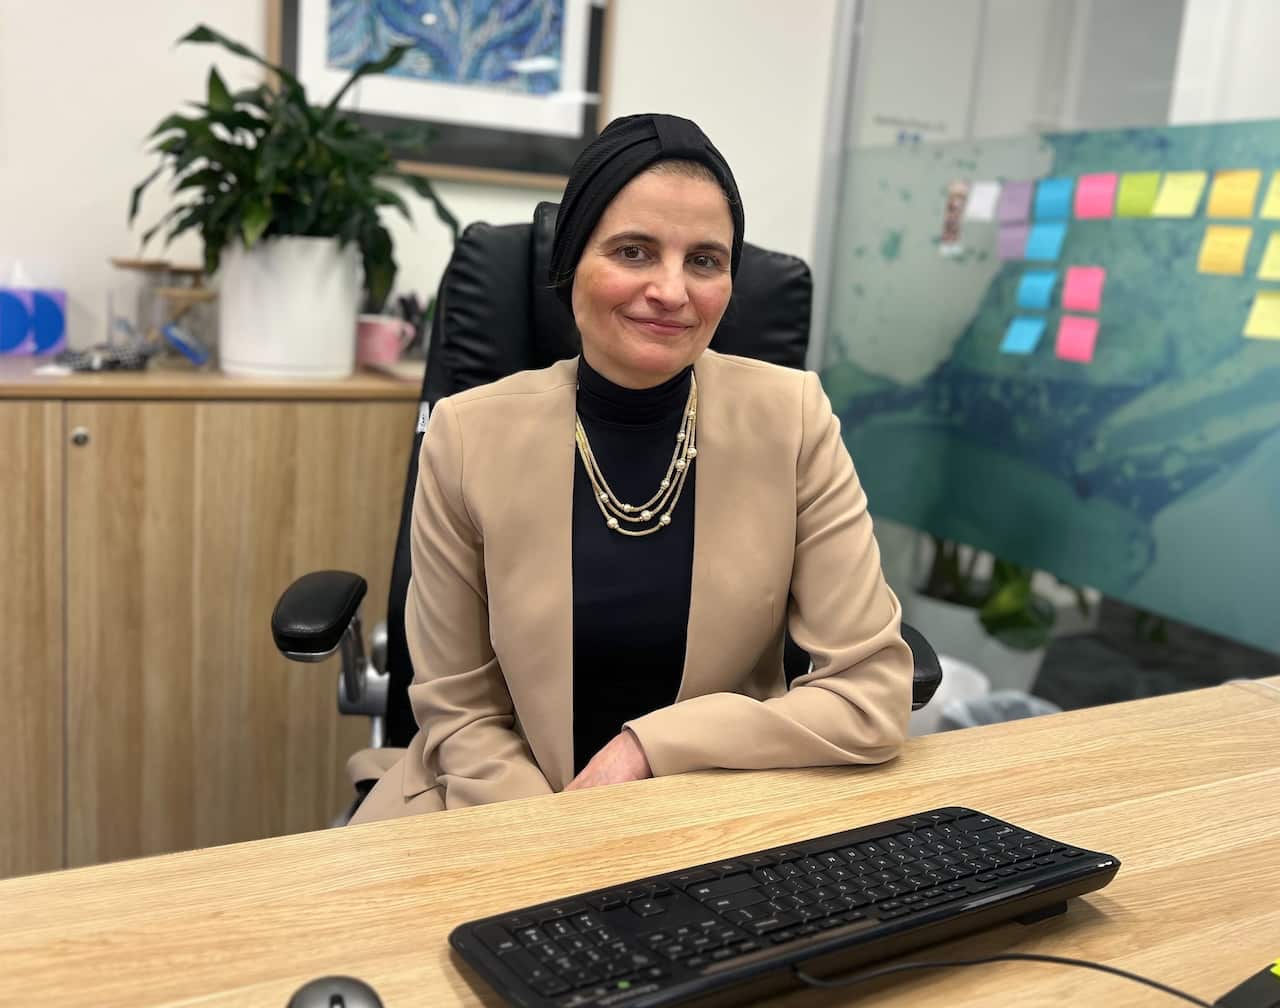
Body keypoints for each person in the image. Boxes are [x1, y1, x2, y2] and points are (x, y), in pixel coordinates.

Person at [350, 113, 913, 824]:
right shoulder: (468, 434)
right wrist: (559, 844)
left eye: (705, 260)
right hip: (489, 812)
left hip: (714, 813)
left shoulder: (794, 419)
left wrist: (648, 749)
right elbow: (459, 716)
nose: (672, 291)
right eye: (635, 251)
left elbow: (870, 696)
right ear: (572, 263)